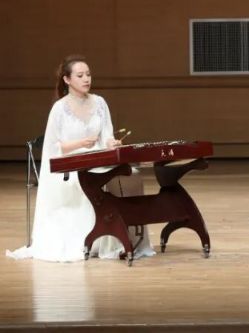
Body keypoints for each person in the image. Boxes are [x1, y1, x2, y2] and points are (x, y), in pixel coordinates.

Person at [7, 55, 155, 262]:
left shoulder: (100, 102)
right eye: (80, 75)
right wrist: (80, 143)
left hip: (97, 160)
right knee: (92, 180)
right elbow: (53, 147)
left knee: (130, 176)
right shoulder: (59, 108)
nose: (86, 79)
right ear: (67, 79)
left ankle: (122, 236)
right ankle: (97, 237)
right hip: (69, 166)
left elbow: (106, 136)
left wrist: (111, 143)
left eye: (88, 74)